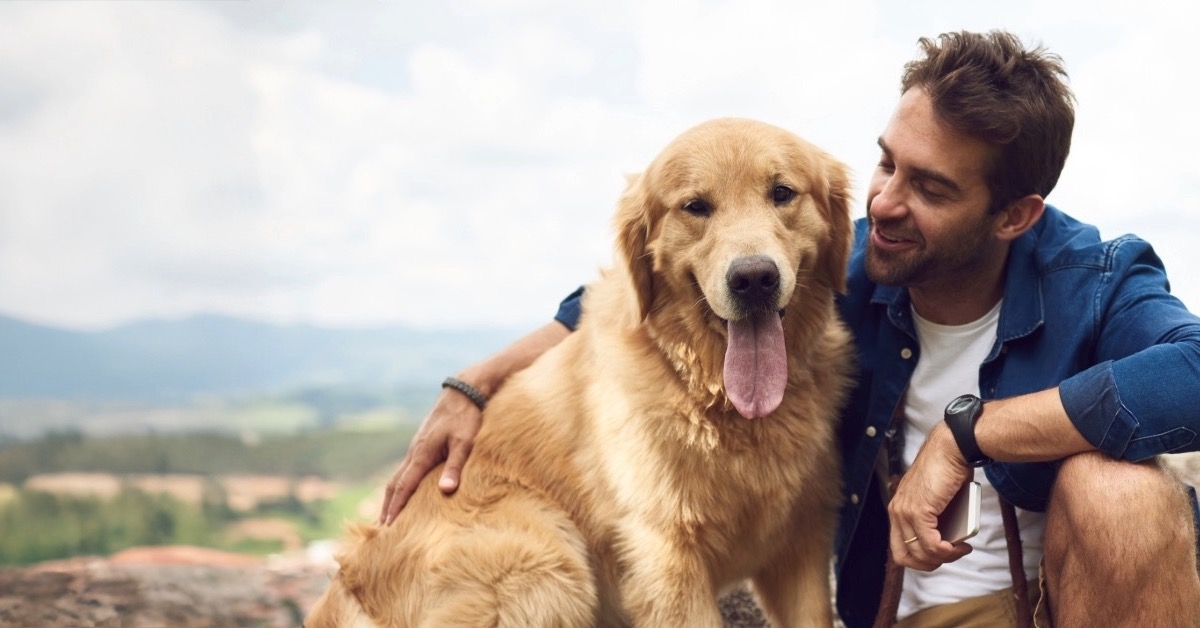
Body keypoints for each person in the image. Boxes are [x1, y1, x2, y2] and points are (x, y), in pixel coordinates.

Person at [379, 30, 1200, 626]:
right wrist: (476, 381)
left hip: (1033, 606)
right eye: (886, 163)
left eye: (930, 188)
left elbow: (1192, 373)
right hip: (874, 609)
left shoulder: (1094, 279)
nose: (884, 204)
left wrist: (969, 435)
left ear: (1014, 215)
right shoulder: (843, 262)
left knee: (1120, 490)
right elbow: (636, 289)